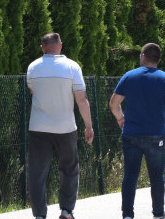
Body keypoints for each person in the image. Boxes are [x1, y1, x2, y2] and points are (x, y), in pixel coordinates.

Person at [109, 43, 165, 219]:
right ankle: (158, 213)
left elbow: (113, 103)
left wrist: (120, 118)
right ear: (158, 59)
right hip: (156, 136)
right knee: (157, 177)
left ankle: (127, 215)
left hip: (130, 134)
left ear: (143, 56)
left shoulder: (129, 76)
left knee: (130, 176)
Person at [26, 33, 94, 219]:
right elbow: (81, 99)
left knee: (37, 172)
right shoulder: (72, 67)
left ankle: (39, 214)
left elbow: (33, 92)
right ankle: (66, 210)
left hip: (39, 128)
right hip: (66, 128)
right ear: (60, 45)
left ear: (42, 47)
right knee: (69, 168)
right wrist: (88, 126)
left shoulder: (33, 67)